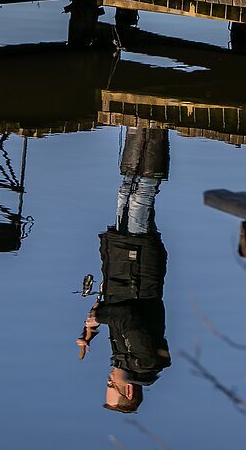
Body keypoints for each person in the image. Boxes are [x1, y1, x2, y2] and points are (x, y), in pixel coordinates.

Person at [76, 127, 172, 413]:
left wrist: (91, 327)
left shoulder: (124, 359)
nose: (107, 379)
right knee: (142, 194)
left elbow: (116, 318)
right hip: (138, 262)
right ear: (127, 388)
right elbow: (126, 315)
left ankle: (135, 127)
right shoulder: (144, 359)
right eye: (110, 386)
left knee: (125, 190)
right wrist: (99, 317)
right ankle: (155, 129)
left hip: (121, 262)